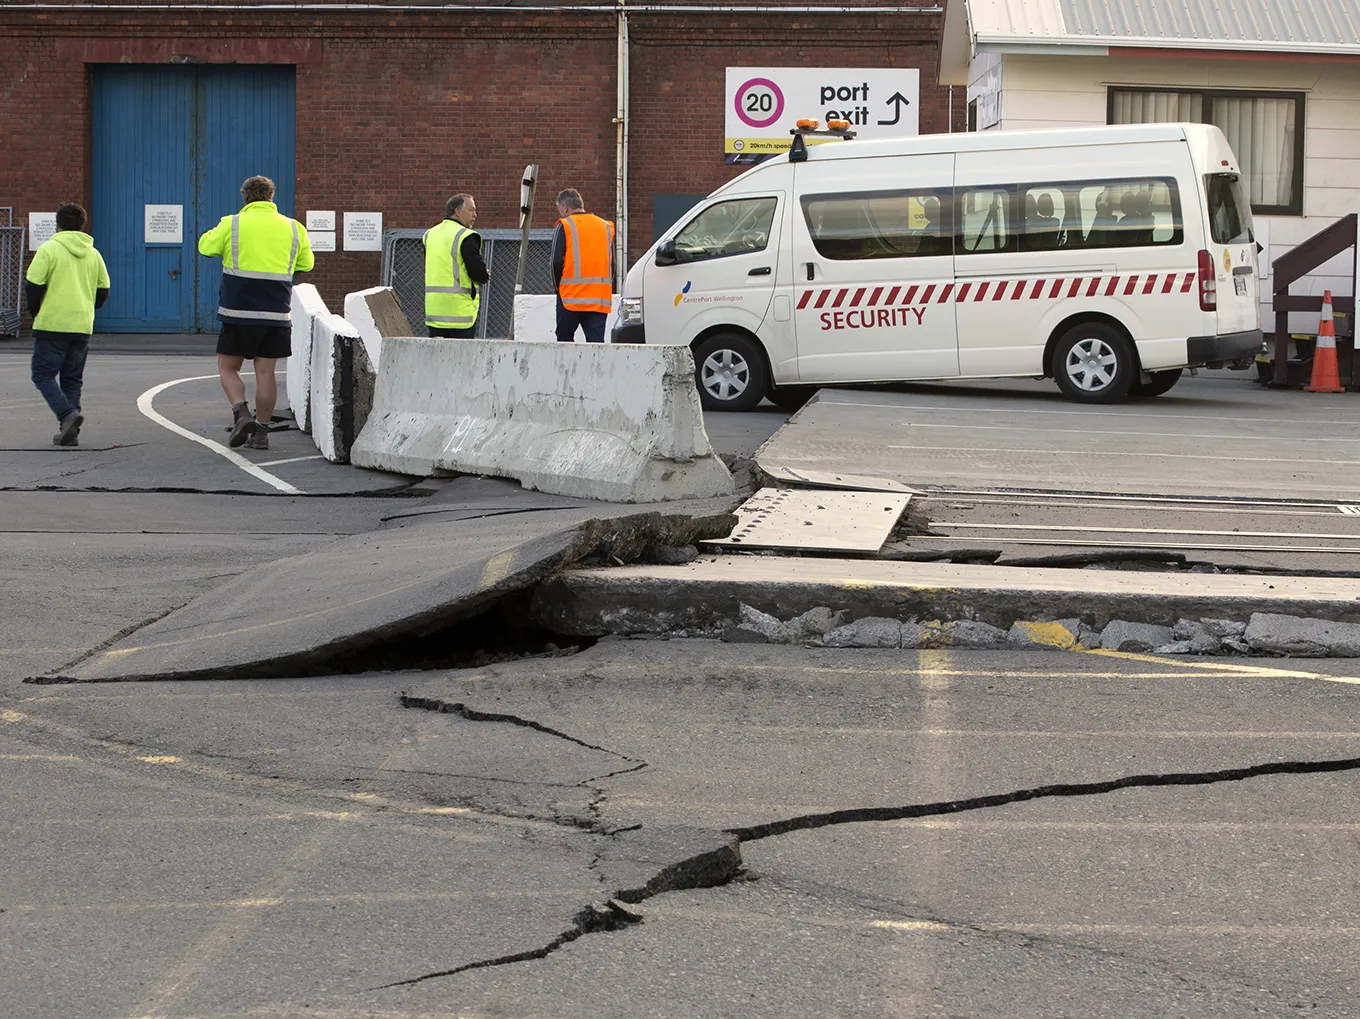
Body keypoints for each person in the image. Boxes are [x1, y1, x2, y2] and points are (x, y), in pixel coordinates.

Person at [198, 175, 313, 451]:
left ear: (245, 196)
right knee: (266, 374)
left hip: (237, 312)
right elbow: (307, 263)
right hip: (276, 314)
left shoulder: (232, 223)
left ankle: (241, 413)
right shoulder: (294, 228)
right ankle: (261, 433)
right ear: (271, 196)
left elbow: (205, 247)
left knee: (227, 367)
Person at [25, 202, 110, 447]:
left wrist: (35, 311)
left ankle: (67, 415)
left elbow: (34, 285)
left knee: (42, 374)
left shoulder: (49, 249)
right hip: (81, 325)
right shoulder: (93, 253)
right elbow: (103, 290)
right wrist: (87, 308)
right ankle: (68, 431)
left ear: (58, 224)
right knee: (72, 379)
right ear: (82, 224)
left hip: (52, 323)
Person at [551, 189, 615, 343]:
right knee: (596, 345)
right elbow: (612, 264)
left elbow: (556, 261)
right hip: (598, 300)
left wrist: (557, 288)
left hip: (570, 298)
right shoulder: (605, 226)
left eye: (559, 208)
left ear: (565, 207)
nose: (559, 212)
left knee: (564, 342)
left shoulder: (565, 225)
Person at [422, 193, 489, 337]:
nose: (475, 215)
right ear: (458, 211)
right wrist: (485, 274)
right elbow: (477, 272)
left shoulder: (429, 234)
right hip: (460, 314)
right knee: (462, 358)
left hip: (435, 313)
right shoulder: (466, 236)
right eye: (471, 210)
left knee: (437, 358)